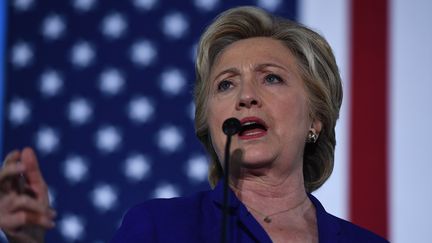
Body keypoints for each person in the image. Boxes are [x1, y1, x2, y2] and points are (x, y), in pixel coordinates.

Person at [1, 6, 388, 243]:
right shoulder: (159, 228)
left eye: (271, 78)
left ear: (316, 119)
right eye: (226, 84)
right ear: (209, 124)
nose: (245, 96)